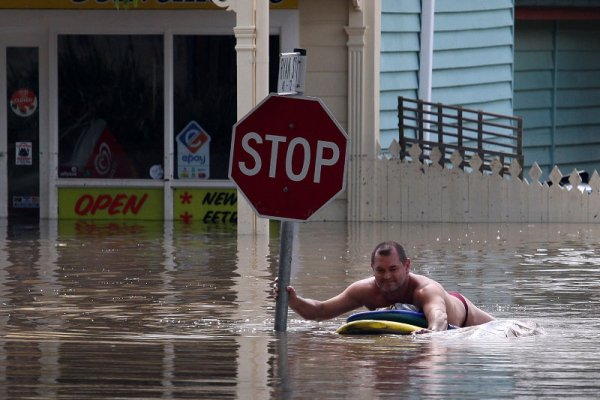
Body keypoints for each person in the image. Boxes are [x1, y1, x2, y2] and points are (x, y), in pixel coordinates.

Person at [273, 240, 494, 333]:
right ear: (372, 268)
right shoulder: (365, 290)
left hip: (465, 317)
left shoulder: (425, 289)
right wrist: (293, 300)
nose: (386, 276)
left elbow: (439, 318)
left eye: (393, 269)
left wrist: (432, 333)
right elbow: (319, 311)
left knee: (514, 331)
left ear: (407, 266)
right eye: (380, 270)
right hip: (410, 322)